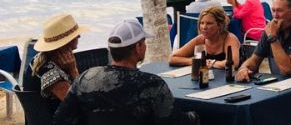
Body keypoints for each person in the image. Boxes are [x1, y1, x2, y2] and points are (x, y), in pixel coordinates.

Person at [53, 19, 199, 125]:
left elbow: (61, 119)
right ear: (137, 47)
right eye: (144, 42)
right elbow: (174, 122)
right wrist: (196, 116)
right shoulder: (152, 85)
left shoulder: (86, 78)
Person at [30, 14, 87, 106]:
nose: (79, 36)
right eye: (76, 35)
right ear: (67, 41)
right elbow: (79, 103)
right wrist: (73, 70)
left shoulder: (44, 57)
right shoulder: (51, 73)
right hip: (53, 118)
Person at [169, 6, 240, 70]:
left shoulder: (229, 38)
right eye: (202, 23)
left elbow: (233, 63)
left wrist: (210, 63)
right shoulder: (201, 39)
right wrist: (196, 61)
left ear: (219, 25)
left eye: (209, 23)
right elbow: (173, 58)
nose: (204, 27)